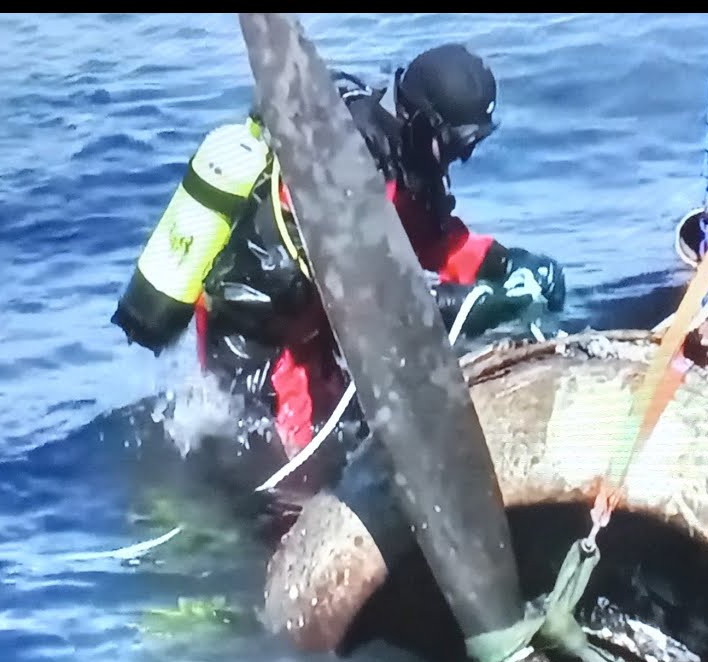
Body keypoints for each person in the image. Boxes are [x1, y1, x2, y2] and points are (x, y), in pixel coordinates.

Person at [111, 43, 566, 496]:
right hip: (261, 346)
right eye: (458, 144)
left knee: (358, 444)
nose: (461, 159)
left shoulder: (406, 156)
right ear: (427, 124)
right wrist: (484, 302)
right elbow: (381, 301)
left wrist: (509, 265)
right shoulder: (338, 166)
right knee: (297, 491)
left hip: (316, 332)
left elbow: (430, 239)